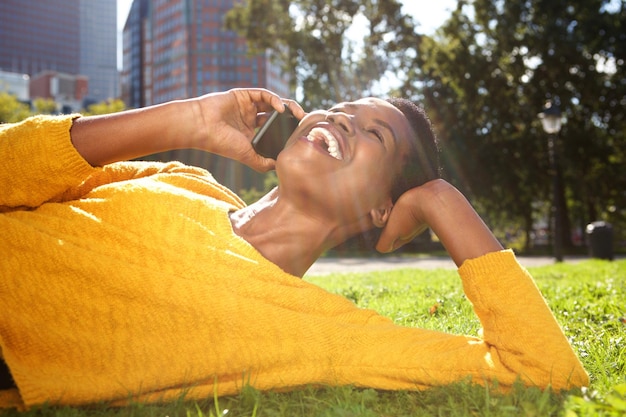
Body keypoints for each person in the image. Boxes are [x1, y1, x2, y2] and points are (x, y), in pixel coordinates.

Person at [0, 88, 588, 410]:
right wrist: (189, 120)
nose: (341, 120)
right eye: (342, 110)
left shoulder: (321, 332)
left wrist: (440, 200)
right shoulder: (183, 179)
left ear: (382, 209)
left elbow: (542, 369)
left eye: (374, 134)